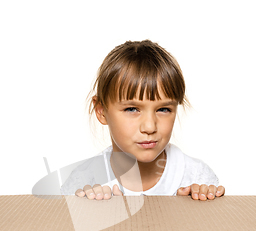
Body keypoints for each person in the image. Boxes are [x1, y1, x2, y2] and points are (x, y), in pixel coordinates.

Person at [60, 40, 225, 201]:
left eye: (163, 109)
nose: (149, 127)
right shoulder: (82, 182)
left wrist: (193, 210)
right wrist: (93, 215)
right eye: (131, 109)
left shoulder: (196, 177)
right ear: (102, 111)